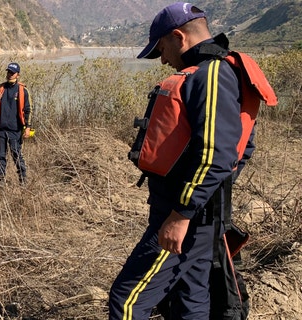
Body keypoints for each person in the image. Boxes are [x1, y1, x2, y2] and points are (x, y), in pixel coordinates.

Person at [108, 2, 258, 319]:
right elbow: (240, 150)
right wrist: (209, 196)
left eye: (161, 49)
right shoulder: (209, 73)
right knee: (191, 301)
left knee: (127, 302)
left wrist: (183, 213)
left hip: (184, 219)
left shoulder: (212, 75)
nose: (162, 59)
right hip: (196, 217)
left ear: (179, 37)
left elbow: (219, 154)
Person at [0, 62, 32, 186]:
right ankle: (1, 181)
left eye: (12, 72)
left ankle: (23, 180)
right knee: (1, 156)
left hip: (15, 130)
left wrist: (28, 127)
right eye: (8, 72)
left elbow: (27, 110)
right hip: (0, 129)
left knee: (16, 154)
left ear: (18, 75)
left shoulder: (23, 90)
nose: (9, 74)